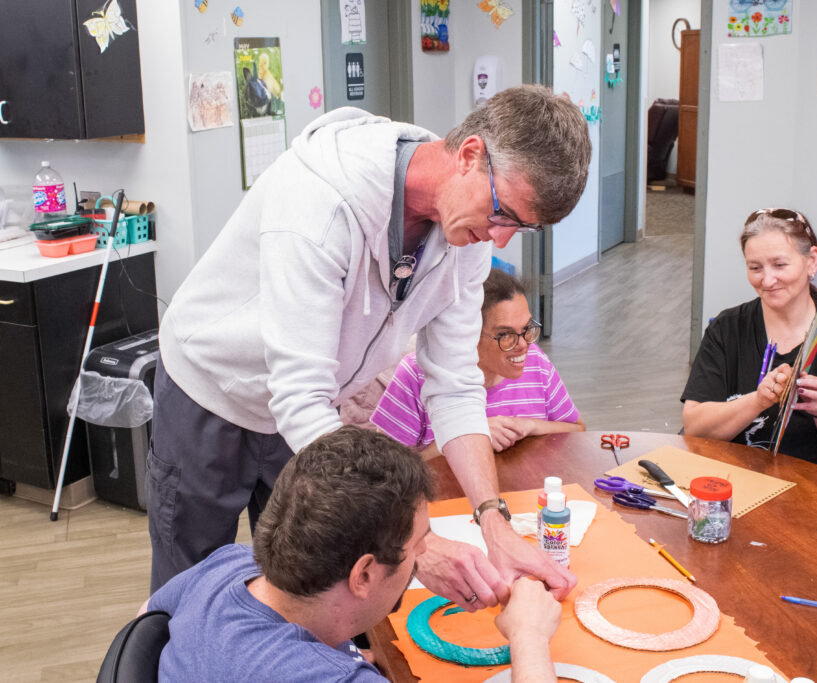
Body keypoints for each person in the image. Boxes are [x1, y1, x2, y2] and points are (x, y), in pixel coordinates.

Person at [147, 84, 591, 603]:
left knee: (307, 584)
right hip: (213, 392)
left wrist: (494, 522)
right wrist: (415, 547)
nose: (500, 240)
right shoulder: (322, 200)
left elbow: (453, 384)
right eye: (503, 214)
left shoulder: (467, 229)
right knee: (192, 590)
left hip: (310, 407)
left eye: (522, 228)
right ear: (470, 155)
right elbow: (299, 396)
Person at [140, 427, 562, 682]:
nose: (419, 562)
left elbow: (146, 623)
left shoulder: (227, 564)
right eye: (417, 548)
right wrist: (528, 637)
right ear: (362, 575)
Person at [680, 208, 817, 479]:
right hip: (738, 485)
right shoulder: (726, 329)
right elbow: (694, 427)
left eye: (779, 265)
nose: (767, 280)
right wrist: (758, 400)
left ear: (812, 261)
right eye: (755, 268)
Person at [371, 269, 585, 456]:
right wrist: (468, 437)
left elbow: (577, 429)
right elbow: (386, 471)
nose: (523, 345)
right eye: (505, 335)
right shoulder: (415, 375)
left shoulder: (536, 361)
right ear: (469, 334)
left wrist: (530, 426)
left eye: (527, 329)